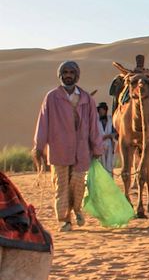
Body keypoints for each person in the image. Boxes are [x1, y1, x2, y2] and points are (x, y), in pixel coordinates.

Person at [32, 61, 104, 232]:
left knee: (79, 184)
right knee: (61, 186)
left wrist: (97, 147)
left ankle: (77, 210)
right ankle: (65, 220)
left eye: (72, 72)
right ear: (60, 75)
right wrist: (38, 146)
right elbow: (43, 122)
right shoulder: (52, 97)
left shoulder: (86, 98)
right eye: (65, 72)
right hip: (59, 148)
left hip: (81, 149)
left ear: (77, 75)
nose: (68, 75)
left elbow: (94, 125)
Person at [96, 102, 118, 177]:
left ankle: (109, 183)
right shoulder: (95, 121)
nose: (101, 112)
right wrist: (105, 136)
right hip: (99, 145)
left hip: (109, 145)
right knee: (101, 165)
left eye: (103, 110)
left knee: (109, 166)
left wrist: (111, 136)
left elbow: (115, 132)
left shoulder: (111, 119)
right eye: (100, 110)